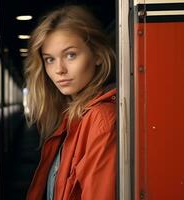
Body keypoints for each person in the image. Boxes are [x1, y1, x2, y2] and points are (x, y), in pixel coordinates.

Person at [25, 5, 117, 200]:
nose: (59, 69)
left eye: (70, 55)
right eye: (49, 59)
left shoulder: (101, 119)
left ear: (98, 55)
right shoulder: (73, 116)